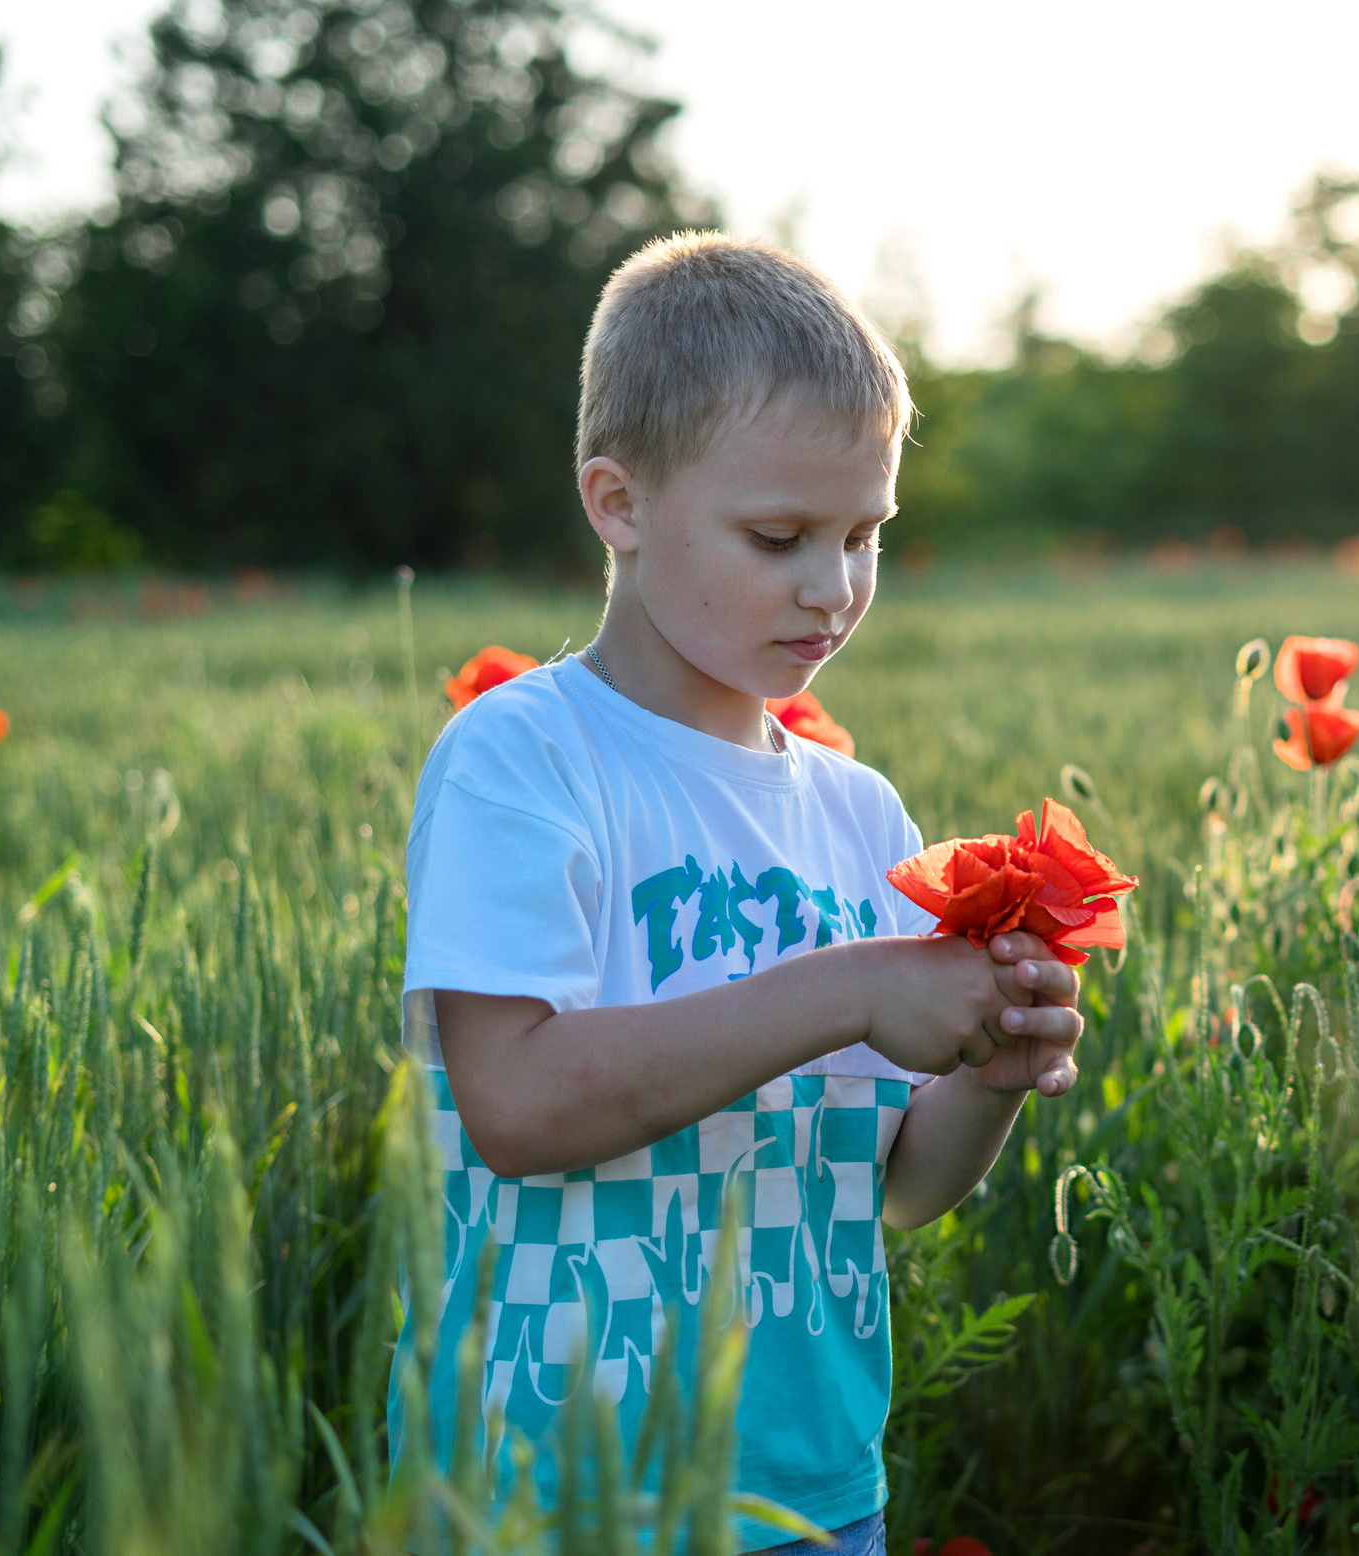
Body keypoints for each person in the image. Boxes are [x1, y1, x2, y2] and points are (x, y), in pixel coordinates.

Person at [390, 232, 1085, 1554]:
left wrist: (990, 1074)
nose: (833, 588)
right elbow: (517, 1106)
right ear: (619, 503)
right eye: (779, 538)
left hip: (810, 1486)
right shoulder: (524, 757)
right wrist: (850, 990)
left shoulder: (860, 815)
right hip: (555, 1493)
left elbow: (894, 1187)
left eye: (865, 535)